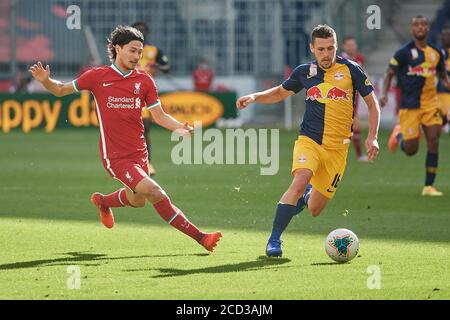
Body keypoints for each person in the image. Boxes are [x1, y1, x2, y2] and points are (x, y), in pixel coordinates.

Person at [28, 25, 222, 252]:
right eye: (132, 50)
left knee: (138, 200)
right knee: (154, 192)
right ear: (117, 48)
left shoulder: (145, 81)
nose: (137, 56)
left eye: (140, 51)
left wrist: (179, 127)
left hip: (139, 153)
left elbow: (159, 116)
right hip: (116, 157)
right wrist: (45, 81)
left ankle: (103, 201)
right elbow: (61, 90)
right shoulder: (97, 76)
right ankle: (201, 237)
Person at [236, 25, 380, 257]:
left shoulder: (352, 70)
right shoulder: (304, 72)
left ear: (336, 46)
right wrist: (254, 97)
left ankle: (305, 197)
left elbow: (373, 105)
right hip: (309, 141)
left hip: (338, 149)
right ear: (312, 48)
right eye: (321, 49)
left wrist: (372, 137)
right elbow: (280, 93)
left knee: (314, 208)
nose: (326, 53)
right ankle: (274, 240)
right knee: (300, 179)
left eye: (330, 48)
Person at [379, 16, 449, 197]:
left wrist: (446, 82)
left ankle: (429, 186)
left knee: (433, 141)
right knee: (411, 150)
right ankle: (399, 135)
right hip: (410, 106)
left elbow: (442, 74)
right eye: (416, 25)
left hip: (430, 104)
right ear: (412, 29)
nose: (420, 27)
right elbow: (389, 73)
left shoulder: (436, 53)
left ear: (428, 28)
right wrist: (384, 94)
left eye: (423, 24)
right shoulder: (403, 53)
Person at [132, 21, 171, 176]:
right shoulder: (127, 50)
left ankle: (147, 163)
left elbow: (167, 68)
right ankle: (133, 162)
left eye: (143, 30)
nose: (140, 32)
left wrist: (157, 67)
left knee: (145, 128)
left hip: (147, 94)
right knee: (131, 131)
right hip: (128, 93)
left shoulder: (154, 51)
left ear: (147, 33)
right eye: (137, 30)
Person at [341, 36, 368, 162]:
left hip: (354, 96)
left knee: (354, 127)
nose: (352, 47)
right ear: (344, 46)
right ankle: (358, 155)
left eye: (353, 44)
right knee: (353, 126)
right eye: (349, 45)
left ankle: (357, 155)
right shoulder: (340, 60)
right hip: (342, 97)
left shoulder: (360, 59)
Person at [437, 28, 450, 132]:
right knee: (443, 116)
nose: (446, 37)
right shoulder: (437, 52)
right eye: (444, 35)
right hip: (442, 90)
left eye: (448, 35)